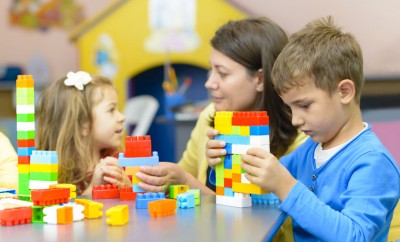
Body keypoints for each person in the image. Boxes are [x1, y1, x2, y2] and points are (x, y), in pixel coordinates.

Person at [235, 16, 400, 241]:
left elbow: (355, 235)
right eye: (290, 108)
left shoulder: (373, 162)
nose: (295, 120)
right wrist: (229, 159)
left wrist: (286, 186)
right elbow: (262, 183)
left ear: (344, 92)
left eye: (304, 105)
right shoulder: (310, 149)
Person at [136, 17, 307, 195]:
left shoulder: (301, 136)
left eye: (222, 73)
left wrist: (186, 181)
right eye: (211, 71)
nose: (209, 83)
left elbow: (273, 218)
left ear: (260, 79)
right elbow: (181, 176)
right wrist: (159, 179)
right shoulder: (210, 115)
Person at [37, 71, 131, 195]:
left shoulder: (118, 160)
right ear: (83, 124)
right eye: (111, 110)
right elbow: (59, 210)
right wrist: (93, 188)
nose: (122, 117)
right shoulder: (53, 173)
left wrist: (127, 186)